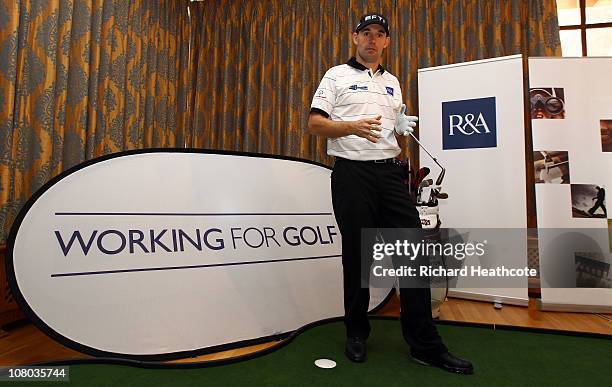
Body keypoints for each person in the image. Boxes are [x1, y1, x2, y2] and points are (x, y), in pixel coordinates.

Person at [307, 13, 473, 375]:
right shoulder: (336, 75)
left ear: (386, 42)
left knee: (413, 255)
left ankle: (425, 345)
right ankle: (356, 332)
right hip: (352, 173)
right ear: (354, 37)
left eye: (379, 34)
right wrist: (351, 125)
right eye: (365, 33)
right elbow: (315, 123)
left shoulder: (393, 82)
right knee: (357, 257)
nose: (372, 40)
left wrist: (398, 126)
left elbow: (393, 129)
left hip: (390, 174)